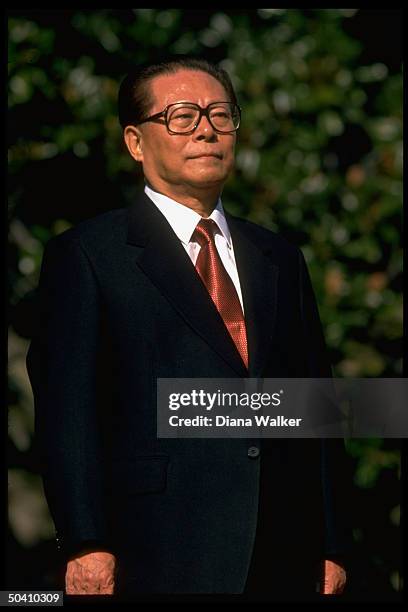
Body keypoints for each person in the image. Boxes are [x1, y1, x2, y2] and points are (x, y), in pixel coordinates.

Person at [26, 56, 350, 601]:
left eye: (220, 115)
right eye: (181, 116)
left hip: (283, 549)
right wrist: (86, 542)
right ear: (135, 141)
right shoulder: (87, 255)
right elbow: (68, 411)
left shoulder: (278, 256)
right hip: (156, 548)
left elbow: (315, 402)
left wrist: (333, 541)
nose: (206, 129)